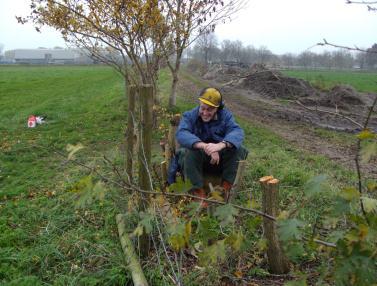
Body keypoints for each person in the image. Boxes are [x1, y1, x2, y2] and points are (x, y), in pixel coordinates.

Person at [174, 87, 248, 206]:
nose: (205, 113)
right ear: (199, 103)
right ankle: (198, 193)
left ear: (217, 108)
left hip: (219, 162)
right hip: (196, 162)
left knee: (238, 149)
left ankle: (226, 189)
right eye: (203, 108)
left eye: (210, 109)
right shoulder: (190, 116)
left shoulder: (226, 117)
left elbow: (237, 132)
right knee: (189, 151)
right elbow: (182, 133)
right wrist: (205, 146)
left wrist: (220, 145)